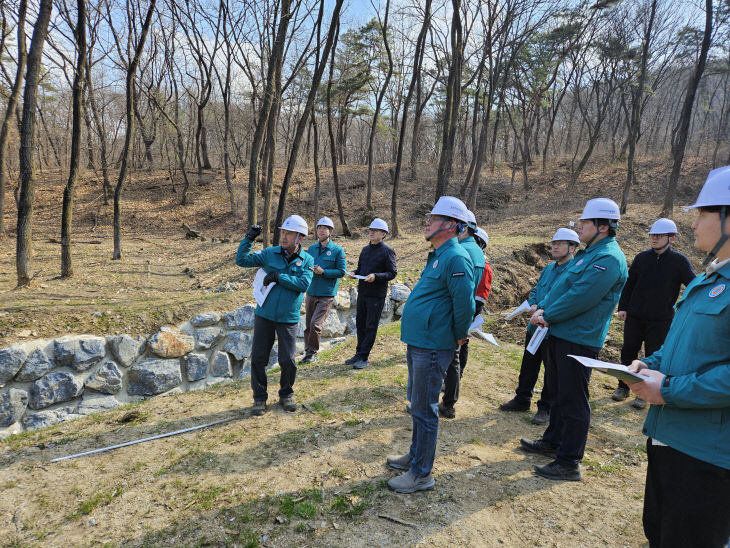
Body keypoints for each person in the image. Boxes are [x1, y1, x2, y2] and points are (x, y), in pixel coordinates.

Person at [626, 166, 730, 547]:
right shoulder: (708, 280)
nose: (694, 224)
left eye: (703, 214)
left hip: (708, 453)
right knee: (660, 532)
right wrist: (647, 365)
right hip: (668, 437)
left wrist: (669, 390)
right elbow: (677, 346)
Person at [520, 198, 627, 481]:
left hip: (578, 338)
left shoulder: (608, 259)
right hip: (559, 332)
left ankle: (569, 461)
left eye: (585, 223)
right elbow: (562, 287)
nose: (578, 227)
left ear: (603, 227)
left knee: (573, 399)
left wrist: (547, 314)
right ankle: (553, 441)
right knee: (557, 392)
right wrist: (544, 308)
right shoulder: (588, 254)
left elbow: (582, 296)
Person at [386, 196, 475, 493]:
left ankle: (422, 473)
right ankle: (415, 456)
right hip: (420, 342)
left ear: (450, 225)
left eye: (433, 218)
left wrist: (459, 335)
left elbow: (464, 305)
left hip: (435, 345)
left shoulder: (456, 257)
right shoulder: (438, 255)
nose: (427, 222)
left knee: (425, 409)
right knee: (417, 404)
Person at [611, 218, 695, 409]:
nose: (654, 238)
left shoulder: (679, 261)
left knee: (653, 355)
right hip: (635, 316)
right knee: (628, 351)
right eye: (652, 235)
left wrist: (684, 307)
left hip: (661, 320)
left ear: (670, 238)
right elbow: (629, 284)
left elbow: (693, 285)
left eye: (659, 235)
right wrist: (623, 307)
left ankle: (644, 392)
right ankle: (623, 387)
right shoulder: (641, 258)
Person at [500, 227, 580, 425]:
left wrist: (542, 309)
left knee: (551, 372)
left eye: (560, 243)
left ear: (573, 248)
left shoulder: (574, 272)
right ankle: (522, 399)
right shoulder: (548, 269)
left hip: (552, 330)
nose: (555, 246)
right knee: (528, 365)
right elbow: (536, 290)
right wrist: (533, 303)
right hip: (534, 328)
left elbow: (566, 299)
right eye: (554, 243)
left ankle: (546, 408)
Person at [235, 215, 314, 416]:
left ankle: (286, 394)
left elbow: (302, 285)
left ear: (300, 238)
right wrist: (249, 239)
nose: (284, 236)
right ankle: (259, 398)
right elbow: (242, 260)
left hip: (288, 317)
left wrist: (279, 276)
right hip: (265, 315)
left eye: (289, 233)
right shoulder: (270, 254)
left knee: (287, 359)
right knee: (259, 359)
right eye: (283, 232)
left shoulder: (307, 260)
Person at [438, 210, 485, 419]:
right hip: (458, 310)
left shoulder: (463, 251)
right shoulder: (472, 249)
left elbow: (464, 291)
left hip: (453, 311)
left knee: (452, 356)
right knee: (454, 356)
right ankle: (448, 401)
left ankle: (447, 403)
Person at [345, 218, 397, 369]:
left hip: (376, 295)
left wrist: (376, 277)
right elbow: (361, 269)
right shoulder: (365, 250)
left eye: (375, 231)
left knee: (370, 326)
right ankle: (358, 353)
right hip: (363, 293)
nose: (371, 232)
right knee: (360, 324)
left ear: (383, 234)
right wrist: (354, 273)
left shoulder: (388, 251)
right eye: (370, 230)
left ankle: (364, 357)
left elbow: (392, 272)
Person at [300, 217, 346, 364]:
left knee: (315, 324)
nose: (321, 230)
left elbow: (341, 271)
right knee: (308, 325)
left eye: (324, 228)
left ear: (330, 231)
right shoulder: (312, 248)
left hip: (326, 294)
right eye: (319, 227)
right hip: (311, 291)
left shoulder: (337, 250)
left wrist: (324, 272)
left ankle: (313, 353)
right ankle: (308, 354)